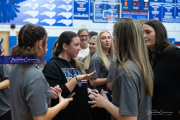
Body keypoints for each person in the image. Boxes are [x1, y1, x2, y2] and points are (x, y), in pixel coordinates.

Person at [89, 18, 153, 120]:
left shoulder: (125, 70)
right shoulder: (144, 65)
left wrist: (105, 103)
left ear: (121, 39)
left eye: (113, 36)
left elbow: (129, 118)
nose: (111, 40)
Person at [9, 23, 73, 120]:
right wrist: (62, 105)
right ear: (40, 44)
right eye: (46, 42)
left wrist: (45, 92)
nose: (47, 48)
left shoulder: (16, 67)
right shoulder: (35, 75)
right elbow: (41, 117)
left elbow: (25, 94)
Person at [42, 31, 96, 120]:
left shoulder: (76, 64)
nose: (79, 48)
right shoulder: (52, 66)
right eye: (76, 45)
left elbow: (80, 88)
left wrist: (90, 92)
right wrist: (76, 79)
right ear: (65, 46)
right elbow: (58, 95)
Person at [142, 19, 180, 120]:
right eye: (141, 33)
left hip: (169, 113)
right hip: (151, 112)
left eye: (148, 32)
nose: (144, 36)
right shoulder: (146, 56)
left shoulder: (174, 54)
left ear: (159, 33)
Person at [88, 30, 115, 120]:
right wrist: (110, 79)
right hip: (100, 96)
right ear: (99, 42)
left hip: (110, 95)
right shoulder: (97, 58)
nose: (107, 40)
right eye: (103, 38)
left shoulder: (113, 56)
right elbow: (92, 81)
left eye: (109, 38)